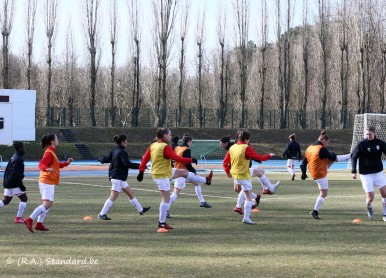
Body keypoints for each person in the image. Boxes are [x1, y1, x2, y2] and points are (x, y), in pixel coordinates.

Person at [137, 128, 213, 231]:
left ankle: (206, 180)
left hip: (164, 171)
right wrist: (190, 159)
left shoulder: (153, 145)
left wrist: (141, 171)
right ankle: (161, 223)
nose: (171, 136)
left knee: (184, 172)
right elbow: (178, 159)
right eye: (169, 134)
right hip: (162, 175)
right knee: (166, 199)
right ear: (164, 136)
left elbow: (145, 158)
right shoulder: (165, 147)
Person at [223, 129, 280, 225]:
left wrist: (227, 172)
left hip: (237, 173)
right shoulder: (246, 148)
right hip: (243, 175)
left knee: (259, 171)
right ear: (246, 139)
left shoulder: (233, 147)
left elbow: (225, 162)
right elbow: (259, 157)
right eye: (248, 140)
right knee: (248, 197)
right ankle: (246, 217)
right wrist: (269, 155)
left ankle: (269, 188)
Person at [24, 134, 73, 232]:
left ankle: (39, 224)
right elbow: (41, 165)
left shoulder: (52, 152)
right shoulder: (49, 152)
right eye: (56, 139)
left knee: (47, 204)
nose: (58, 140)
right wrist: (46, 169)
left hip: (47, 181)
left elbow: (56, 165)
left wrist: (66, 163)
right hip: (47, 181)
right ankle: (29, 219)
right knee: (48, 204)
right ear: (52, 141)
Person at [97, 134, 150, 220]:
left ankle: (141, 210)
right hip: (117, 177)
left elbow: (106, 159)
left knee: (130, 193)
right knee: (113, 197)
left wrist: (100, 159)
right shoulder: (122, 152)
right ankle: (102, 214)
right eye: (126, 140)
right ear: (122, 142)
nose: (127, 142)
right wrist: (141, 166)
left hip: (119, 177)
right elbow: (127, 164)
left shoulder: (115, 150)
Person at [300, 131, 351, 220]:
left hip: (315, 171)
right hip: (320, 173)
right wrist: (333, 154)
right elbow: (332, 157)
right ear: (323, 140)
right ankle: (315, 211)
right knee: (323, 193)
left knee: (332, 159)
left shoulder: (310, 148)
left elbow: (303, 163)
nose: (327, 144)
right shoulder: (321, 149)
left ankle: (350, 155)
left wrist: (303, 173)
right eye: (327, 142)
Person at [167, 133, 212, 218]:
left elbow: (174, 146)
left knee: (197, 183)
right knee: (175, 193)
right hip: (181, 174)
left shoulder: (178, 147)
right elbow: (187, 164)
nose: (191, 143)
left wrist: (174, 141)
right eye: (191, 142)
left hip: (180, 172)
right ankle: (166, 210)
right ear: (189, 141)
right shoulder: (186, 149)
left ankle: (202, 202)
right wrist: (194, 171)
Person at [351, 126, 386, 221]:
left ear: (374, 133)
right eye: (366, 134)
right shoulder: (361, 144)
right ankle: (369, 207)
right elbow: (354, 157)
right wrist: (353, 171)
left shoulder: (380, 143)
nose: (368, 136)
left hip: (378, 172)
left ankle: (385, 214)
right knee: (370, 198)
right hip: (366, 174)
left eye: (370, 134)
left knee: (385, 193)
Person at [0, 142, 28, 223]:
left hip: (8, 182)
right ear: (19, 149)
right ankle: (18, 218)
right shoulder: (18, 158)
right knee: (24, 198)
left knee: (6, 201)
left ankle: (18, 218)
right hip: (13, 183)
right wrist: (20, 184)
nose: (25, 149)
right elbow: (15, 173)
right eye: (24, 147)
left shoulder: (14, 157)